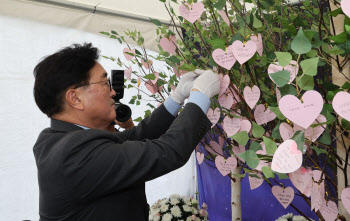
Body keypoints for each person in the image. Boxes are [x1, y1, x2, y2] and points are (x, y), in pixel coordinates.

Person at [33, 43, 220, 221]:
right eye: (105, 83)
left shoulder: (54, 138)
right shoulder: (75, 153)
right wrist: (199, 97)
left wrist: (177, 97)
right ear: (75, 98)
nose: (113, 92)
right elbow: (167, 152)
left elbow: (137, 136)